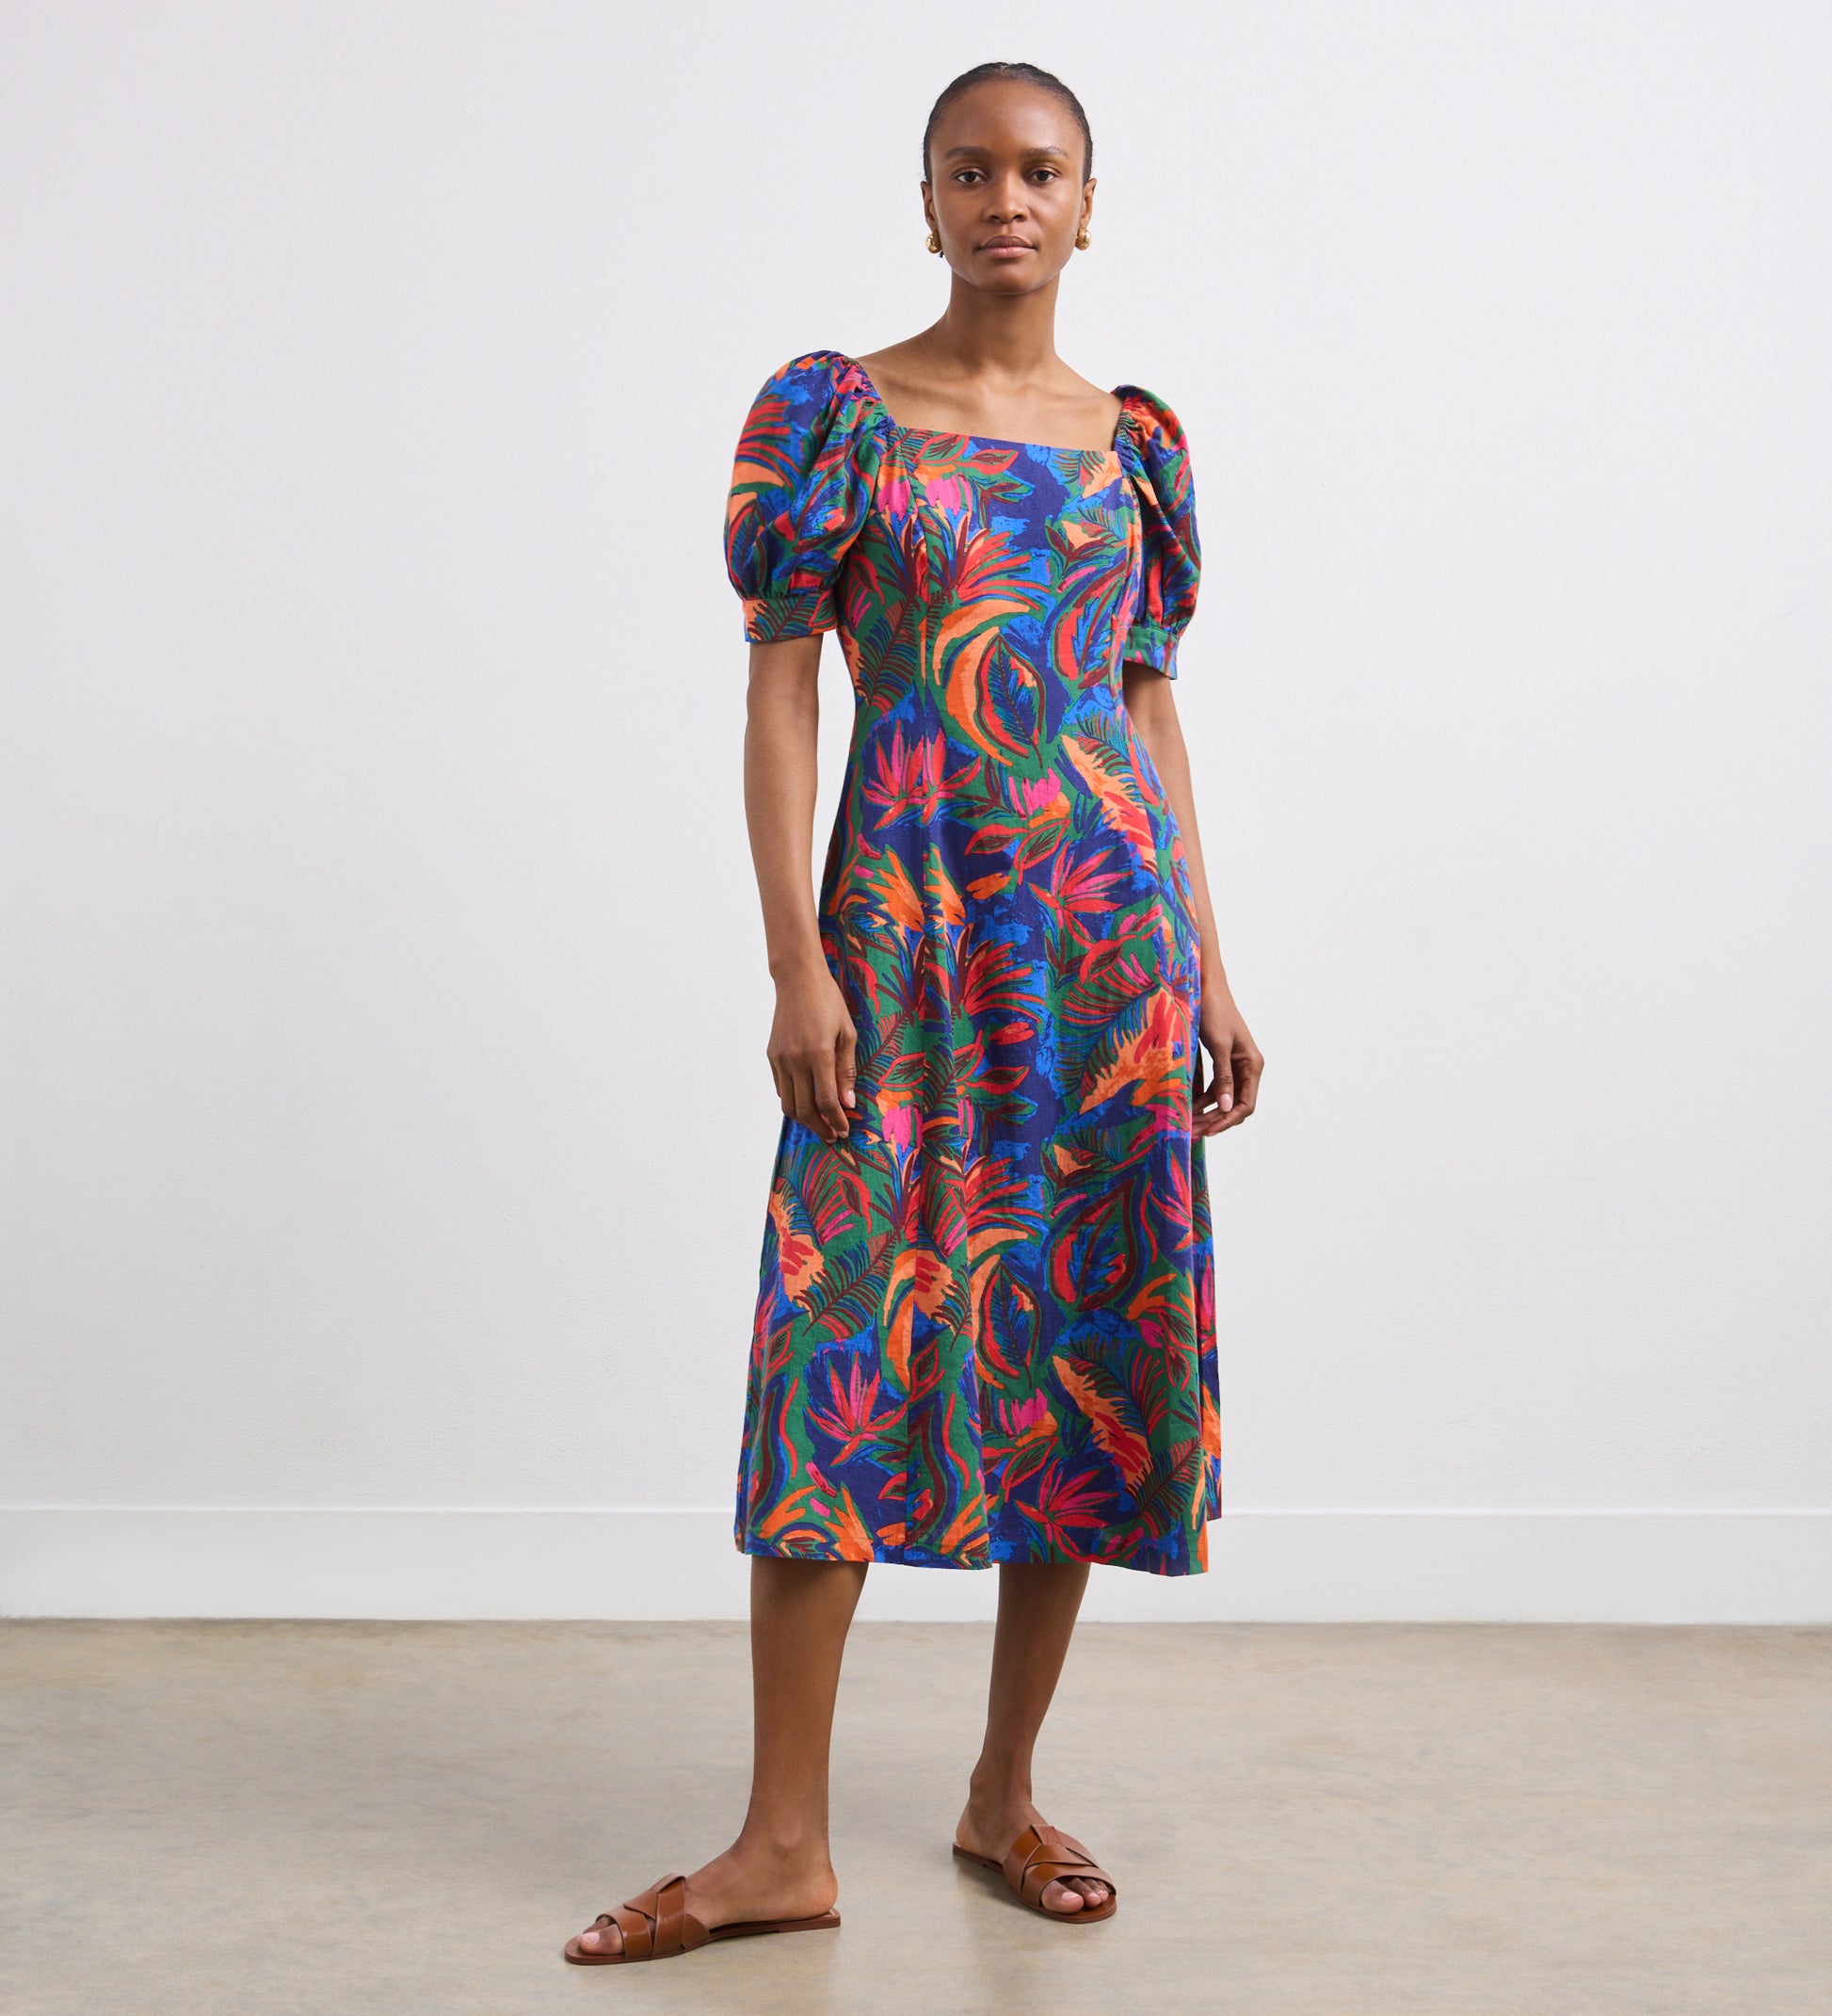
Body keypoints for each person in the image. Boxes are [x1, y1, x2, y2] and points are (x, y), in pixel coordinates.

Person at [565, 57, 1263, 1967]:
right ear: (929, 197)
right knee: (836, 1356)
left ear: (1090, 200)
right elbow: (780, 688)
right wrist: (795, 957)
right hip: (905, 944)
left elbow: (1142, 702)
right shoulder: (838, 420)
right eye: (971, 168)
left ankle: (998, 1792)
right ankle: (779, 1842)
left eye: (1040, 169)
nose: (1006, 198)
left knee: (1071, 1358)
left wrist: (1206, 957)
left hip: (1104, 964)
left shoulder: (1132, 443)